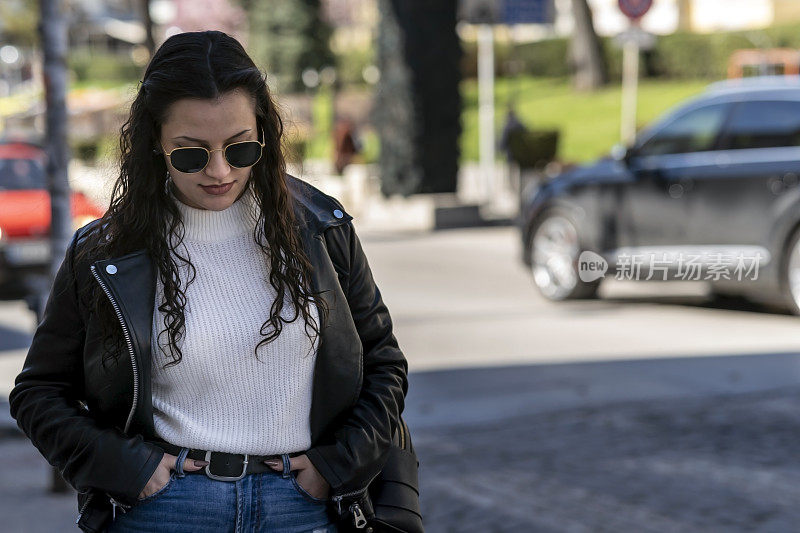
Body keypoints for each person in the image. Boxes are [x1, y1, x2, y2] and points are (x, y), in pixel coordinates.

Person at [9, 30, 408, 533]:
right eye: (191, 154)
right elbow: (38, 392)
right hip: (163, 512)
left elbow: (384, 363)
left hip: (303, 510)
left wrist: (339, 464)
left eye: (239, 149)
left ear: (263, 131)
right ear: (155, 142)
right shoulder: (104, 252)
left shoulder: (321, 228)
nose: (219, 171)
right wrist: (126, 467)